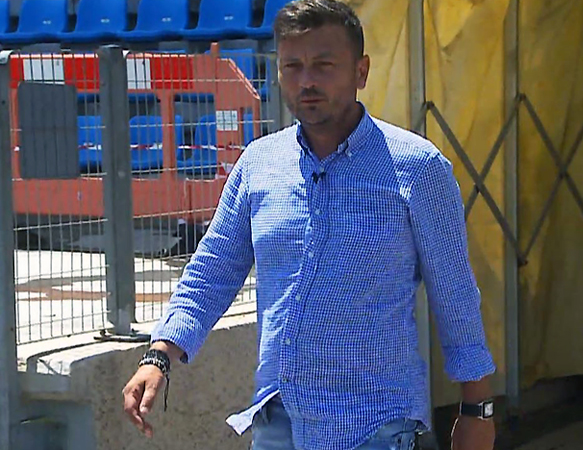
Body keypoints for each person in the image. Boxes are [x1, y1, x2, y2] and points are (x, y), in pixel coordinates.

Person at [122, 1, 497, 449]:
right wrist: (159, 355)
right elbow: (212, 271)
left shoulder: (417, 169)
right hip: (278, 424)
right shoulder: (259, 165)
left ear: (361, 71)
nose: (307, 82)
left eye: (323, 65)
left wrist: (477, 410)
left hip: (375, 426)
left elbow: (455, 295)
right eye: (292, 67)